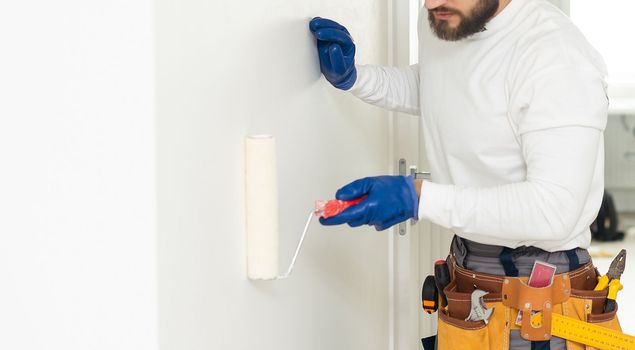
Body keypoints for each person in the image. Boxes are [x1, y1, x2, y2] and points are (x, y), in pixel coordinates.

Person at [310, 0, 618, 349]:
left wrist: (420, 198)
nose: (430, 3)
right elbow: (439, 85)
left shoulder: (556, 57)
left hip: (540, 304)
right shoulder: (446, 17)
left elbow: (553, 211)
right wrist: (357, 78)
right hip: (467, 285)